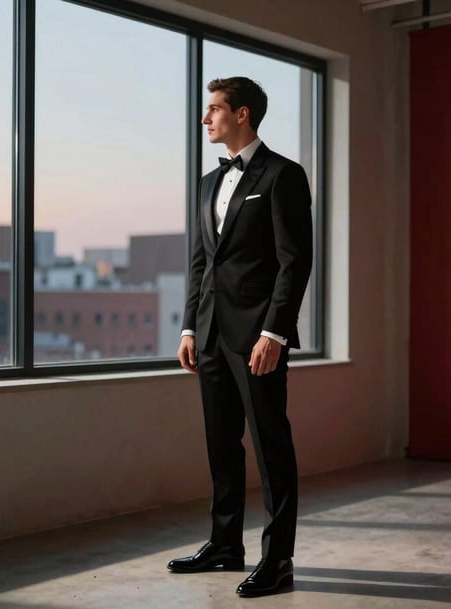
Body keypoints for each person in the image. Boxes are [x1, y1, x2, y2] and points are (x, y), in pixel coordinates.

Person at [167, 76, 313, 598]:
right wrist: (189, 325)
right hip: (209, 334)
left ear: (243, 114)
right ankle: (226, 545)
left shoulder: (283, 175)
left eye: (214, 110)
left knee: (272, 446)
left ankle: (279, 559)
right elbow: (201, 261)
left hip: (258, 337)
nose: (206, 119)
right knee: (220, 445)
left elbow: (295, 262)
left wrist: (275, 330)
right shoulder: (209, 182)